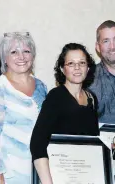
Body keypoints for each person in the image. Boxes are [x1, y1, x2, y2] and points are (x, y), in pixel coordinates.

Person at [0, 32, 47, 184]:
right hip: (6, 177)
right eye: (14, 52)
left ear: (33, 55)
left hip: (35, 173)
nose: (21, 57)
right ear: (4, 58)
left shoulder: (41, 87)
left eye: (26, 51)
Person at [30, 43, 100, 184]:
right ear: (62, 69)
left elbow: (95, 145)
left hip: (86, 176)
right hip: (59, 176)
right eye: (70, 63)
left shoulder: (92, 99)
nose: (77, 68)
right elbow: (37, 144)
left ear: (88, 67)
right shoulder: (55, 97)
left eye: (82, 63)